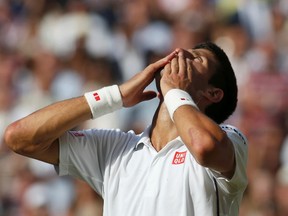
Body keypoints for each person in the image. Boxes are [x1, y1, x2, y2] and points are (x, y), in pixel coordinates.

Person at [4, 41, 248, 216]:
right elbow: (20, 138)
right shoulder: (115, 149)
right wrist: (115, 95)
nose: (180, 51)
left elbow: (203, 146)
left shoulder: (230, 138)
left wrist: (175, 91)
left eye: (197, 59)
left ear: (213, 94)